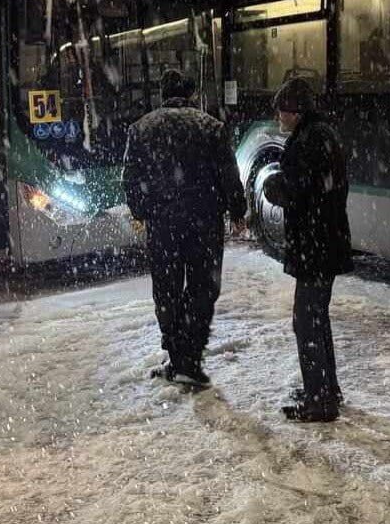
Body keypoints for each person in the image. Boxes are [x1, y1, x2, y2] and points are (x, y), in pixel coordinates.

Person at [123, 69, 247, 387]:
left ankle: (177, 356)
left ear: (163, 95)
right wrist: (237, 210)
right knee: (203, 287)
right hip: (204, 222)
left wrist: (143, 211)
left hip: (164, 225)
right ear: (190, 94)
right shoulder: (212, 127)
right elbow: (229, 174)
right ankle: (190, 357)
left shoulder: (141, 128)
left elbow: (131, 179)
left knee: (167, 289)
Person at [263, 77, 351, 423]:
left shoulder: (306, 141)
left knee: (306, 322)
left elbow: (298, 189)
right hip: (326, 239)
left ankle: (319, 400)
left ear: (295, 112)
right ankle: (326, 388)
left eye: (282, 111)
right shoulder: (323, 134)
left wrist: (273, 185)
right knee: (316, 318)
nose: (279, 118)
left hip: (315, 243)